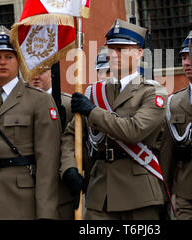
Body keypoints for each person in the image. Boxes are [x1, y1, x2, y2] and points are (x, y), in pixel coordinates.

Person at [60, 19, 168, 219]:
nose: (114, 54)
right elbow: (71, 135)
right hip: (101, 192)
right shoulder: (94, 92)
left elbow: (133, 131)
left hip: (139, 193)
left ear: (138, 53)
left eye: (121, 49)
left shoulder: (153, 92)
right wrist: (69, 168)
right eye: (111, 48)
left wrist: (92, 112)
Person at [0, 26, 62, 219]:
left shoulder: (38, 100)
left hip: (23, 202)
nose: (3, 62)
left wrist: (45, 213)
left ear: (19, 60)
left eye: (9, 57)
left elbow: (47, 163)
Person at [159, 31, 192, 220]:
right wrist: (164, 194)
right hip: (185, 190)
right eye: (183, 58)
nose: (186, 63)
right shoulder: (174, 101)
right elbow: (167, 151)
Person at [29, 65, 74, 219]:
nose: (36, 76)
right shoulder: (18, 105)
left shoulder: (68, 105)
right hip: (26, 189)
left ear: (52, 73)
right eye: (32, 70)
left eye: (42, 71)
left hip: (60, 190)